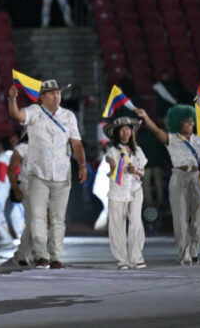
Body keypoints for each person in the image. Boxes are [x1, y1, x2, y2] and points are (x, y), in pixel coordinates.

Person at [8, 80, 87, 269]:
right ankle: (42, 255)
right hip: (38, 174)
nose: (56, 96)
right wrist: (12, 99)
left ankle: (56, 256)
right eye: (51, 93)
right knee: (37, 216)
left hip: (62, 173)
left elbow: (76, 143)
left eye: (58, 93)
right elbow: (17, 114)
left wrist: (82, 164)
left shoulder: (69, 116)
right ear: (42, 96)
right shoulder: (34, 111)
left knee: (59, 218)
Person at [136, 105, 200, 265]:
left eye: (192, 122)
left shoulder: (199, 140)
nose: (191, 124)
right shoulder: (171, 139)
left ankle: (194, 245)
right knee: (180, 217)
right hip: (179, 177)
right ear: (178, 123)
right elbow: (157, 131)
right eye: (187, 122)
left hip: (197, 177)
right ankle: (184, 254)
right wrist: (146, 117)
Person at [103, 117, 148, 270]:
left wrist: (134, 170)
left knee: (135, 221)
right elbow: (112, 167)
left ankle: (136, 257)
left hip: (135, 189)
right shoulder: (112, 151)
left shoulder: (138, 150)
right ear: (116, 133)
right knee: (117, 224)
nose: (125, 132)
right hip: (118, 191)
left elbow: (142, 173)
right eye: (122, 129)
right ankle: (121, 259)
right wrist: (115, 166)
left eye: (128, 128)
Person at [9, 131, 34, 265]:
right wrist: (16, 188)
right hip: (26, 186)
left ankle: (27, 252)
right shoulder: (22, 148)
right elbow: (11, 170)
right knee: (32, 221)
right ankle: (22, 254)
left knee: (38, 222)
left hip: (43, 187)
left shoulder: (46, 146)